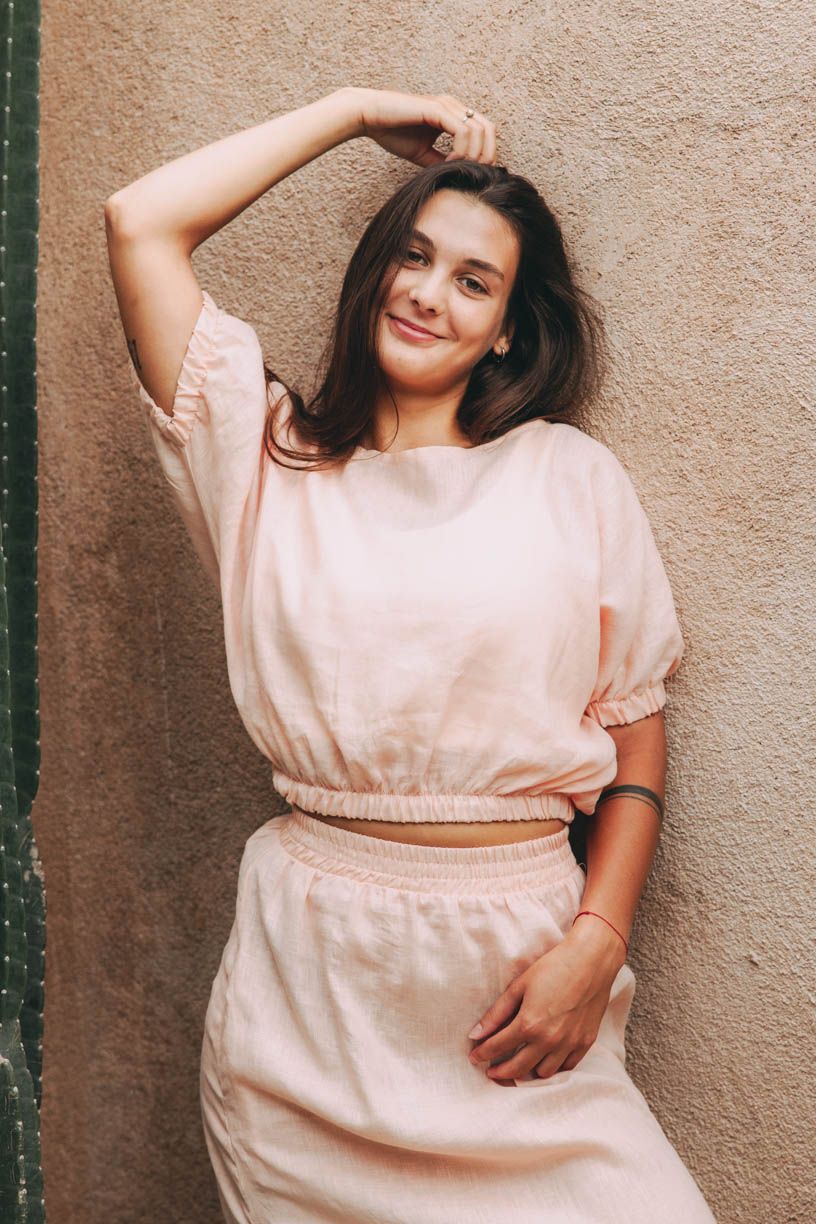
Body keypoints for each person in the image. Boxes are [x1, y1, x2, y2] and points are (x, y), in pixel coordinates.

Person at [105, 87, 717, 1223]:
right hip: (309, 1012)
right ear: (375, 271)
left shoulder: (568, 478)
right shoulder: (267, 460)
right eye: (415, 256)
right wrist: (350, 113)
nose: (430, 294)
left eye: (475, 281)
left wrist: (598, 940)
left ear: (509, 329)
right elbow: (140, 222)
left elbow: (636, 734)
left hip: (519, 985)